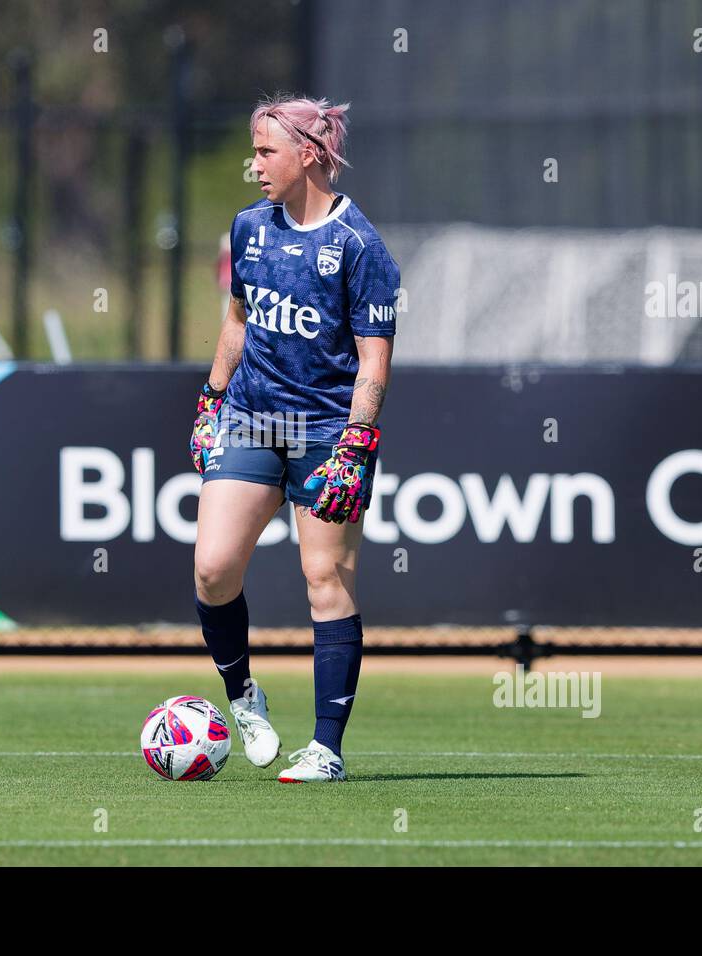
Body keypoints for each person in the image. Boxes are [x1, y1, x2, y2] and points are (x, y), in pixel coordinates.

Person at [189, 93, 400, 782]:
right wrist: (211, 398)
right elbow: (237, 322)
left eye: (265, 151)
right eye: (253, 151)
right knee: (214, 569)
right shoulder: (249, 228)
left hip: (324, 431)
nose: (254, 165)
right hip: (250, 416)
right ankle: (244, 697)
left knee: (324, 580)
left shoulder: (360, 246)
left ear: (309, 154)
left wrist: (355, 444)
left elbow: (373, 361)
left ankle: (327, 749)